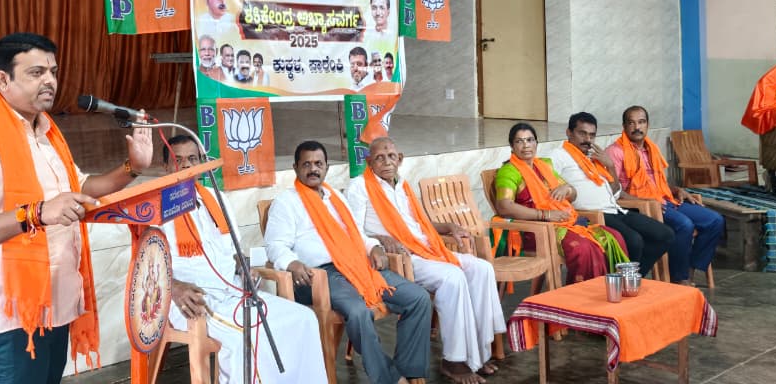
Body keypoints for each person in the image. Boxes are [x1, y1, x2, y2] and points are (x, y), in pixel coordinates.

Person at [0, 32, 154, 384]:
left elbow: (80, 188)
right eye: (36, 73)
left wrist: (133, 168)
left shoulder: (47, 135)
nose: (49, 80)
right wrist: (34, 214)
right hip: (9, 321)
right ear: (3, 79)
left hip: (55, 309)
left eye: (53, 71)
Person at [161, 135, 327, 383]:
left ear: (201, 163)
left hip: (234, 291)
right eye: (178, 159)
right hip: (193, 300)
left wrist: (245, 266)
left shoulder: (215, 198)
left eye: (192, 159)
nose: (186, 165)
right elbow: (146, 273)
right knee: (245, 339)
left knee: (304, 319)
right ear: (165, 166)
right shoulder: (154, 209)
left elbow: (234, 251)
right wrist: (174, 288)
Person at [265, 141, 432, 384]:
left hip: (357, 268)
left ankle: (411, 371)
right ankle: (390, 379)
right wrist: (292, 264)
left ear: (327, 167)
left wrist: (373, 247)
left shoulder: (335, 198)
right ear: (295, 168)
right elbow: (275, 245)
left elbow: (357, 233)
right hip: (318, 276)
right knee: (358, 311)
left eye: (318, 164)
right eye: (306, 164)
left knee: (418, 298)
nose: (313, 169)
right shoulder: (286, 202)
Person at [346, 137, 505, 384]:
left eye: (391, 156)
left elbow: (420, 225)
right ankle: (454, 360)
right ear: (369, 162)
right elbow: (352, 231)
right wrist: (380, 238)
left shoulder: (402, 185)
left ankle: (477, 355)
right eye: (379, 158)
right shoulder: (359, 187)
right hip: (401, 257)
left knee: (482, 268)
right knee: (452, 277)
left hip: (427, 248)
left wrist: (448, 226)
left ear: (400, 159)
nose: (386, 162)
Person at [494, 123, 628, 284]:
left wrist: (567, 189)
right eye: (519, 141)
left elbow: (573, 195)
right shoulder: (509, 171)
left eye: (530, 140)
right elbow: (504, 206)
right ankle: (582, 293)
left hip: (565, 222)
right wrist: (545, 215)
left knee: (614, 236)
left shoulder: (544, 165)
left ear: (536, 143)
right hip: (536, 230)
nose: (526, 145)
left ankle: (612, 288)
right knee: (583, 247)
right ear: (511, 145)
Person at [606, 106, 725, 286]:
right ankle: (679, 278)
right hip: (641, 207)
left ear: (647, 125)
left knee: (714, 220)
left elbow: (658, 182)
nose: (637, 127)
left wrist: (677, 190)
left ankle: (690, 268)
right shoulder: (615, 151)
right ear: (624, 126)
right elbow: (613, 191)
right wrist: (645, 202)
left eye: (641, 122)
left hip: (666, 199)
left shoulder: (651, 148)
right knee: (684, 225)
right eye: (631, 123)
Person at [549, 113, 674, 275]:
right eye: (582, 133)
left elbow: (615, 191)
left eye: (592, 135)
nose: (587, 139)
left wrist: (610, 166)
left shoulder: (594, 157)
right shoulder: (558, 155)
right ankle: (626, 280)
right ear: (569, 132)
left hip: (615, 209)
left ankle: (630, 277)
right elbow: (546, 183)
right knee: (634, 241)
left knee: (665, 234)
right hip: (591, 215)